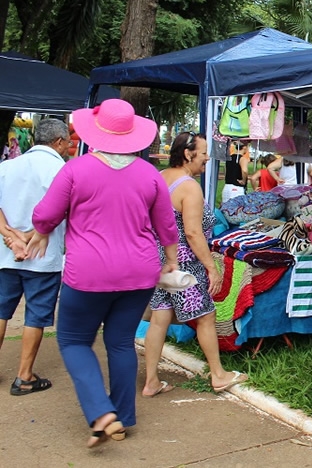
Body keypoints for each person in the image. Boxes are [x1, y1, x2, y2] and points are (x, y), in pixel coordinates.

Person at [26, 99, 180, 448]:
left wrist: (41, 230)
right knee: (121, 342)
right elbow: (166, 225)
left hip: (89, 273)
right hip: (139, 272)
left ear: (95, 132)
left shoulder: (75, 169)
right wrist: (171, 260)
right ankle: (122, 418)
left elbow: (46, 214)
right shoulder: (149, 174)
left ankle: (101, 412)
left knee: (73, 340)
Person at [143, 132, 246, 400]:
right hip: (183, 263)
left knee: (160, 317)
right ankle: (218, 375)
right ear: (188, 154)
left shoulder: (160, 177)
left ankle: (151, 381)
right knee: (206, 317)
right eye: (203, 153)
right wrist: (211, 267)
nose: (207, 158)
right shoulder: (189, 187)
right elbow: (192, 233)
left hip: (159, 260)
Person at [0, 119, 70, 396]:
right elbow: (62, 211)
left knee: (1, 311)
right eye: (67, 142)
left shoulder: (7, 166)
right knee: (35, 316)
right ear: (59, 142)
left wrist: (10, 236)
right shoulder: (61, 170)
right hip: (43, 255)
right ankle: (24, 376)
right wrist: (32, 235)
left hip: (6, 254)